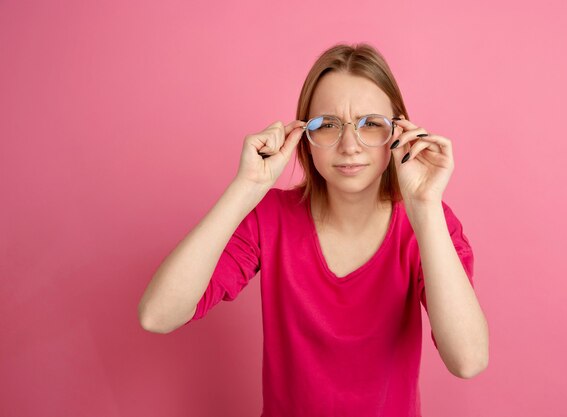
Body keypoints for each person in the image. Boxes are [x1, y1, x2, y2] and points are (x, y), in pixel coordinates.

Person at [138, 42, 489, 417]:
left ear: (398, 132)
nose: (350, 146)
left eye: (371, 124)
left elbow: (467, 360)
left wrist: (425, 207)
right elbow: (158, 315)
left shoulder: (429, 222)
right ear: (304, 136)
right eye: (328, 125)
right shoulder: (269, 217)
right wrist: (246, 188)